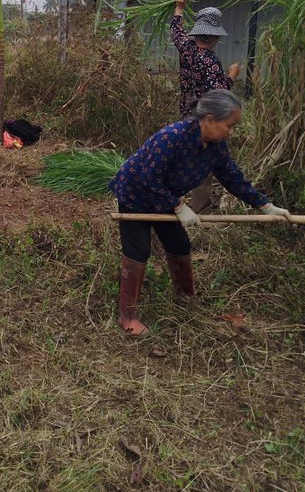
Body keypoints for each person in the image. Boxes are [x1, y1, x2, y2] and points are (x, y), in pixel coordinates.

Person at [108, 90, 290, 338]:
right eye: (229, 125)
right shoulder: (172, 137)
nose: (231, 131)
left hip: (165, 199)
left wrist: (265, 206)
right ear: (209, 120)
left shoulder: (215, 146)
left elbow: (232, 177)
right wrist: (179, 207)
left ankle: (186, 301)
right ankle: (127, 316)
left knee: (179, 244)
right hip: (136, 196)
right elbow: (147, 178)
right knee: (138, 251)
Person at [171, 0, 240, 118]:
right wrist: (232, 76)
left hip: (186, 111)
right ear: (216, 36)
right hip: (203, 117)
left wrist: (179, 7)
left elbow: (176, 31)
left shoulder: (186, 46)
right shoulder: (210, 61)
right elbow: (219, 92)